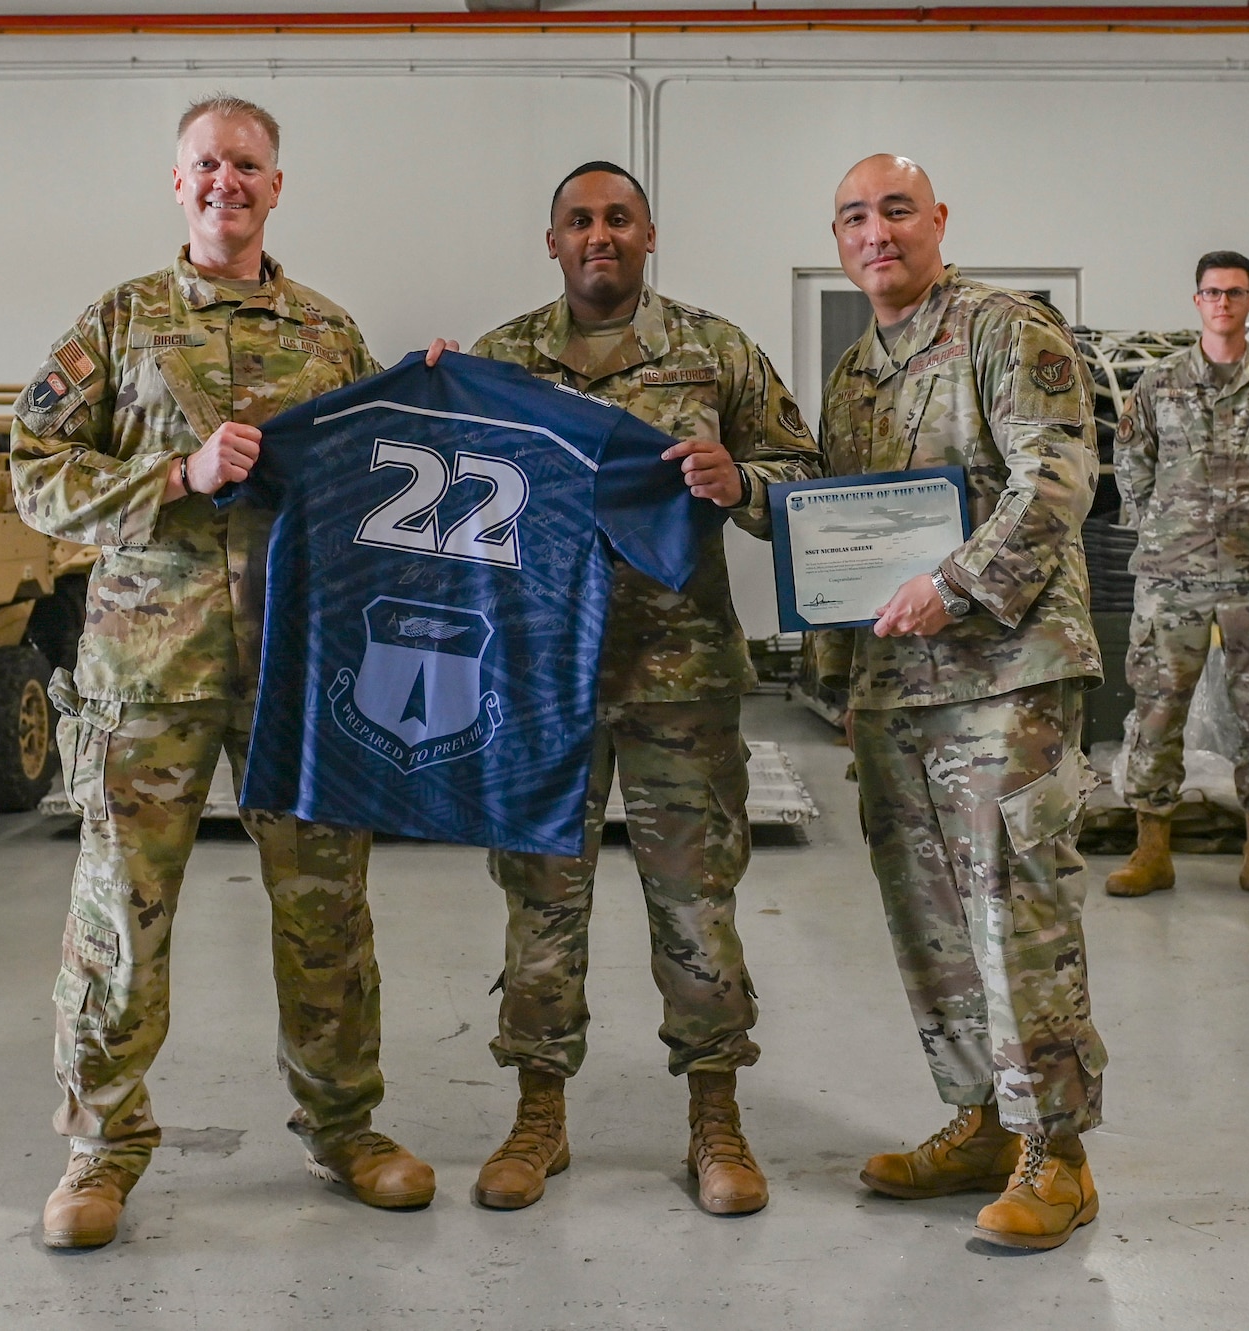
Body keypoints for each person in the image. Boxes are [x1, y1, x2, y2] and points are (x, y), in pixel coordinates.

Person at [9, 95, 433, 1250]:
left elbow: (381, 477)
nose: (224, 182)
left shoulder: (329, 334)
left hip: (297, 668)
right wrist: (174, 475)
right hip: (148, 669)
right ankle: (101, 1146)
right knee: (120, 911)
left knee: (325, 903)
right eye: (205, 163)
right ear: (177, 181)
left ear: (275, 185)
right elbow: (32, 471)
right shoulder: (119, 323)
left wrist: (431, 396)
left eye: (246, 165)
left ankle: (344, 1125)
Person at [450, 160, 819, 1216]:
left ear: (649, 235)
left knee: (696, 907)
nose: (598, 234)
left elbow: (803, 478)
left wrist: (740, 482)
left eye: (618, 217)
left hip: (678, 678)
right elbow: (447, 501)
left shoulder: (715, 350)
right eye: (579, 220)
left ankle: (716, 1118)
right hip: (541, 684)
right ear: (552, 241)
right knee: (540, 905)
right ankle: (538, 1116)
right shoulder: (497, 361)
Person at [817, 154, 1106, 1252]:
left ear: (937, 219)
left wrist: (956, 584)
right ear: (838, 241)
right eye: (855, 216)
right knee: (930, 918)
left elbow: (1057, 479)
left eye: (896, 209)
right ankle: (984, 1119)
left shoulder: (1004, 329)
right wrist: (844, 682)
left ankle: (1057, 1153)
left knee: (1014, 910)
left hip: (1006, 674)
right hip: (900, 688)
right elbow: (842, 529)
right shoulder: (855, 372)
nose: (876, 231)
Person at [1105, 252, 1249, 904]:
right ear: (1197, 300)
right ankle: (1151, 851)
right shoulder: (1160, 381)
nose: (1223, 302)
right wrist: (1164, 529)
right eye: (1212, 292)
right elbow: (1132, 463)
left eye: (1234, 292)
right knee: (1157, 708)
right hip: (1173, 574)